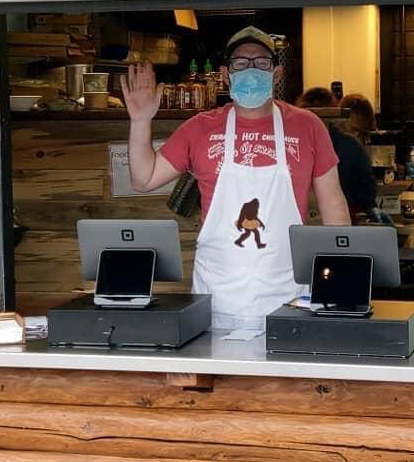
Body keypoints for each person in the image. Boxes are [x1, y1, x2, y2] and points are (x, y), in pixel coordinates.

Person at [126, 26, 350, 331]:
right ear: (226, 74)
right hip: (217, 297)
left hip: (290, 294)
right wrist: (140, 121)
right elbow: (144, 179)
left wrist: (339, 284)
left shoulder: (307, 126)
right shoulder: (199, 128)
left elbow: (334, 209)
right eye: (241, 63)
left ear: (277, 73)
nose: (251, 70)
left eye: (261, 63)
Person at [299, 87, 379, 220]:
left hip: (303, 220)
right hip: (344, 218)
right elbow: (368, 192)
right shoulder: (349, 145)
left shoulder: (292, 144)